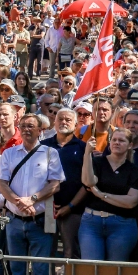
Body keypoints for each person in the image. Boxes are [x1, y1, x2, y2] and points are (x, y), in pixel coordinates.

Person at [0, 113, 66, 275]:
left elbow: (56, 184)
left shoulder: (50, 153)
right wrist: (19, 202)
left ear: (40, 130)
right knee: (16, 269)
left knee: (41, 270)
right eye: (23, 125)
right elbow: (1, 184)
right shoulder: (8, 154)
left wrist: (32, 199)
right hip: (15, 220)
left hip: (40, 221)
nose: (26, 129)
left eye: (31, 126)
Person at [75, 128, 138, 261]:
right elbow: (88, 181)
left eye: (121, 140)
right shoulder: (97, 162)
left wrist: (101, 195)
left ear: (130, 145)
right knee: (91, 267)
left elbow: (131, 202)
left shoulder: (135, 171)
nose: (117, 143)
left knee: (114, 270)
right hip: (91, 222)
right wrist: (87, 154)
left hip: (122, 225)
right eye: (114, 140)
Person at [46, 108, 88, 259]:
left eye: (68, 120)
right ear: (55, 122)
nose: (64, 122)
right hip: (46, 209)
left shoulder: (83, 148)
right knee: (46, 253)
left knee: (72, 253)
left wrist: (70, 207)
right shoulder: (43, 146)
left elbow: (87, 183)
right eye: (60, 119)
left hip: (74, 210)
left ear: (76, 124)